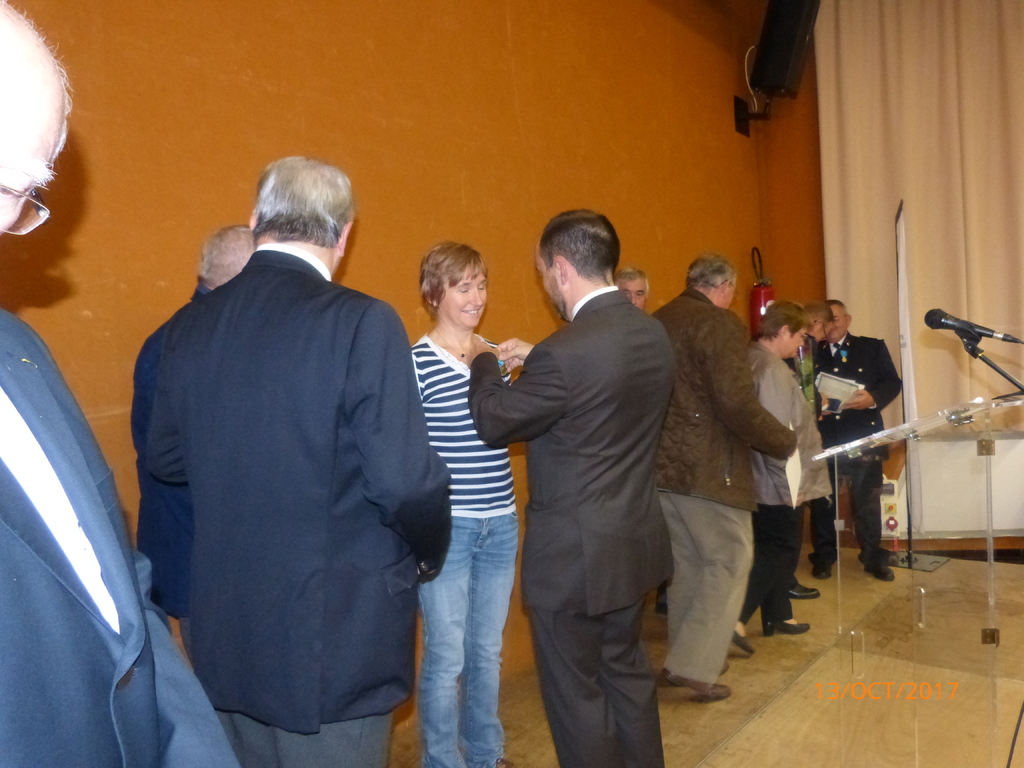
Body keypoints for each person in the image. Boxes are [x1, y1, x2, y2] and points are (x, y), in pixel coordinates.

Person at [147, 156, 452, 768]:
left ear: (255, 220)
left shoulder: (189, 325)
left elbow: (165, 457)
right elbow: (405, 483)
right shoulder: (361, 321)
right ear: (343, 236)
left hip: (228, 629)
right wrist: (428, 553)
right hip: (335, 637)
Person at [0, 4, 239, 766]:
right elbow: (162, 452)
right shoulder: (171, 344)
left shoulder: (22, 353)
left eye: (15, 189)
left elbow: (116, 586)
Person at [467, 210, 674, 768]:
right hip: (633, 545)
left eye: (542, 273)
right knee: (627, 677)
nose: (545, 285)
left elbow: (494, 420)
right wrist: (538, 358)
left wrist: (483, 362)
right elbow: (601, 388)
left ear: (561, 268)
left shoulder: (565, 354)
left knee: (576, 697)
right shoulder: (650, 333)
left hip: (574, 561)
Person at [653, 254, 797, 702]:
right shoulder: (719, 323)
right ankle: (695, 666)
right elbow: (736, 401)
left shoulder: (660, 320)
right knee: (731, 558)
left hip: (662, 467)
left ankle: (683, 659)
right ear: (725, 288)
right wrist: (782, 440)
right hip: (710, 468)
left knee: (689, 567)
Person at [411, 242, 518, 768]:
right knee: (446, 655)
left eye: (481, 284)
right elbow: (406, 451)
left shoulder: (494, 357)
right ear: (435, 294)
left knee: (486, 651)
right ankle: (442, 761)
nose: (477, 297)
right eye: (463, 287)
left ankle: (484, 753)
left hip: (502, 522)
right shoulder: (415, 363)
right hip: (448, 529)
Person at [131, 225, 254, 654]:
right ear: (245, 279)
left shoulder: (174, 337)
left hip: (192, 550)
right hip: (206, 555)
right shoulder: (207, 343)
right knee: (221, 679)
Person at [733, 302, 831, 654]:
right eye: (801, 335)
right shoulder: (772, 369)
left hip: (759, 476)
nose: (803, 343)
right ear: (784, 331)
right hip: (777, 478)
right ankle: (736, 619)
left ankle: (778, 615)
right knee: (778, 548)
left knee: (770, 545)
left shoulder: (752, 357)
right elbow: (776, 434)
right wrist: (790, 486)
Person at [809, 299, 902, 581]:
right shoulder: (810, 350)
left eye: (835, 318)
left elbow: (892, 382)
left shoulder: (871, 347)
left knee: (867, 502)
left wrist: (873, 398)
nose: (830, 325)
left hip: (862, 435)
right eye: (825, 320)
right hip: (825, 436)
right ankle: (824, 556)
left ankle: (872, 557)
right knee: (823, 502)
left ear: (847, 320)